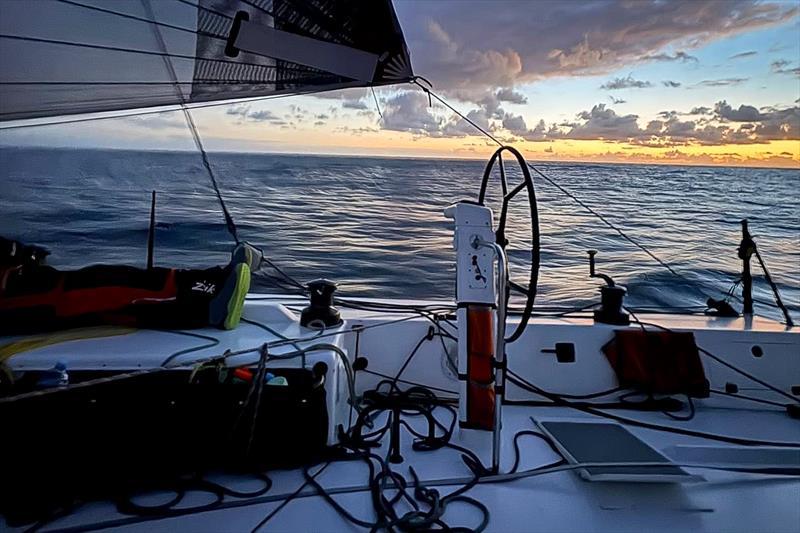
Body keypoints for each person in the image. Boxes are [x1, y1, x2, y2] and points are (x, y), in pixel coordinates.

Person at [0, 237, 261, 335]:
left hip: (25, 288)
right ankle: (208, 309)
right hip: (16, 305)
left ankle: (211, 279)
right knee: (105, 292)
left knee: (106, 278)